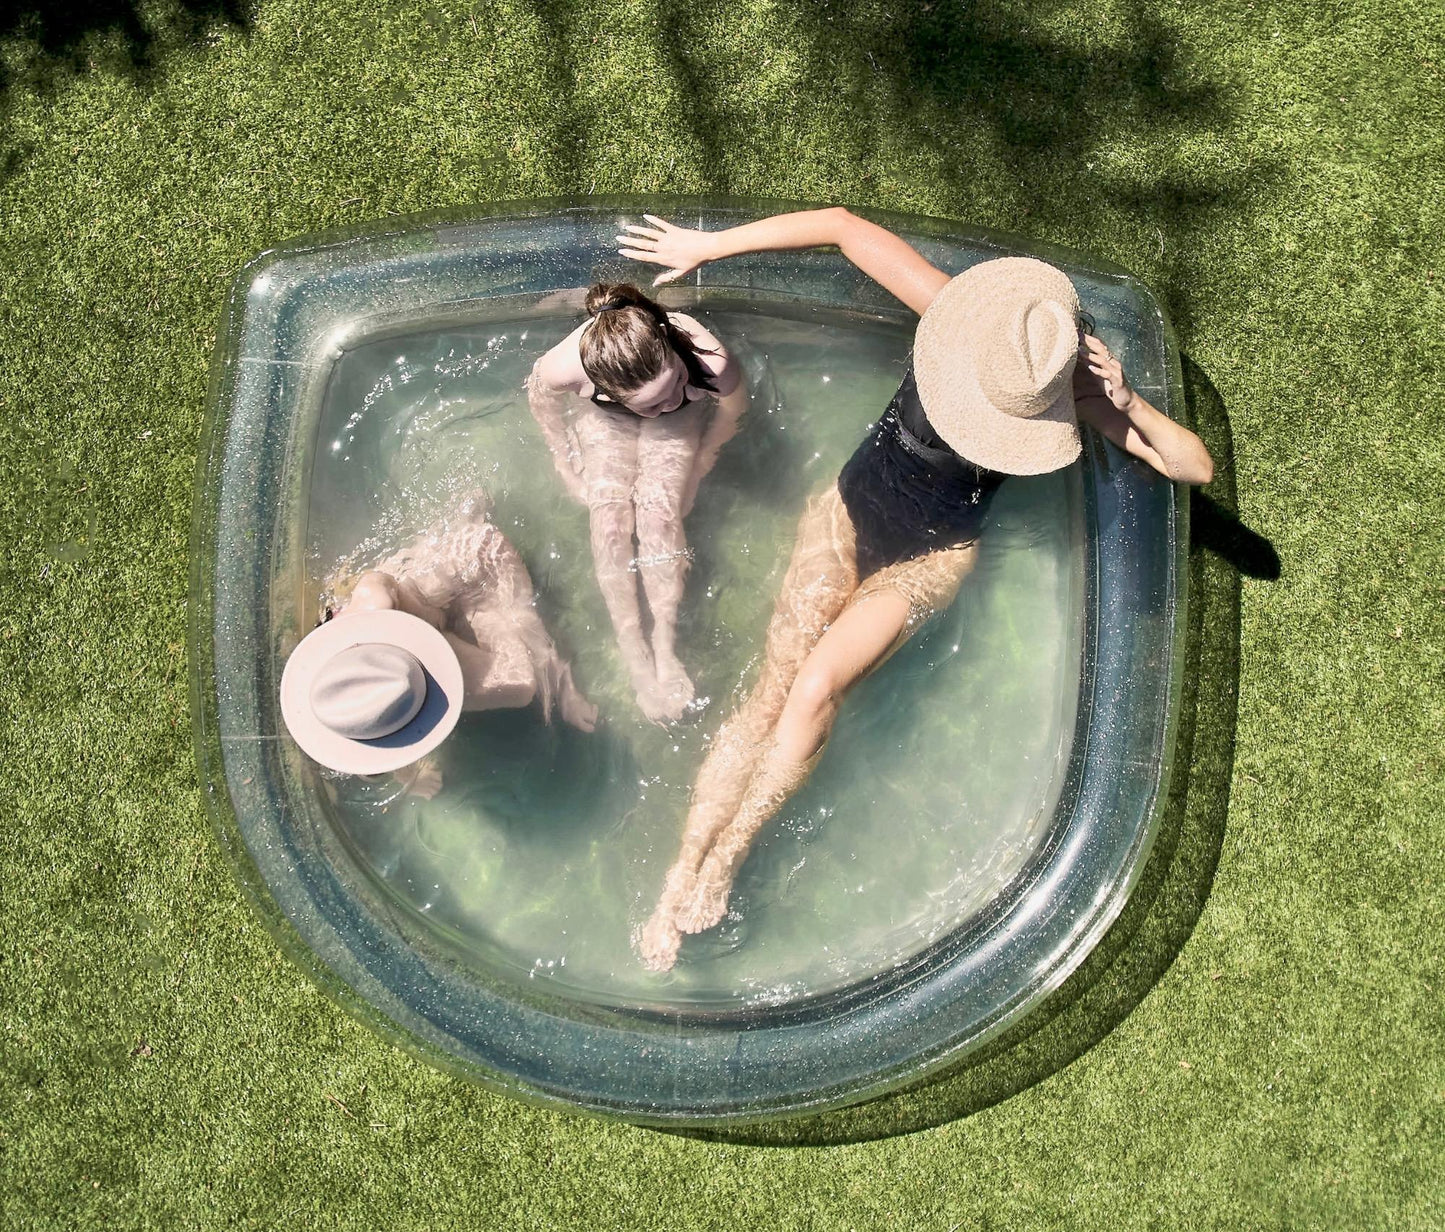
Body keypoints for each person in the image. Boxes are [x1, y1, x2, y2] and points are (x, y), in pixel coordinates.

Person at [617, 208, 1215, 971]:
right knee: (770, 690)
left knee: (813, 690)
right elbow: (839, 224)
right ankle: (681, 870)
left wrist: (1125, 403)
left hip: (928, 559)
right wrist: (711, 245)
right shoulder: (956, 318)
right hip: (845, 512)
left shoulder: (1064, 389)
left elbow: (1192, 466)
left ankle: (727, 856)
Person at [527, 282, 749, 723]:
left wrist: (702, 462)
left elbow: (733, 407)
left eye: (675, 384)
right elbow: (541, 401)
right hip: (606, 422)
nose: (667, 402)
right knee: (608, 519)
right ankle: (635, 656)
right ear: (601, 387)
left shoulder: (708, 362)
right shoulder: (564, 368)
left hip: (689, 422)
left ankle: (665, 647)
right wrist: (564, 463)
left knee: (659, 514)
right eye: (651, 404)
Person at [281, 492, 596, 796]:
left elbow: (380, 592)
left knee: (521, 679)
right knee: (425, 586)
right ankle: (461, 525)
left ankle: (561, 677)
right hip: (436, 581)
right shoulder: (344, 664)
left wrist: (436, 621)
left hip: (483, 560)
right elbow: (367, 713)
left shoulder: (375, 604)